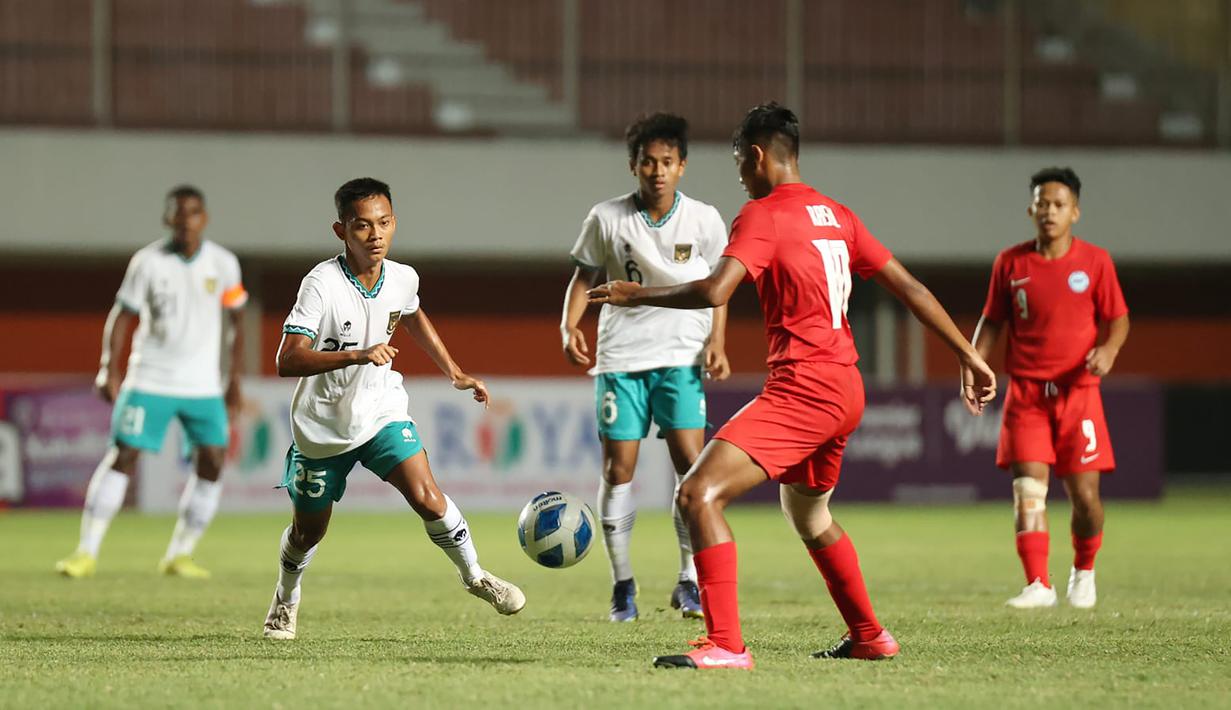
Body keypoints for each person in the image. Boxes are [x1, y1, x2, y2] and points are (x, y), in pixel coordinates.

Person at [589, 103, 997, 670]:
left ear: (755, 156)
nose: (738, 175)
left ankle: (726, 645)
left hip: (805, 387)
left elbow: (714, 292)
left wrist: (636, 294)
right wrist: (969, 355)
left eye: (738, 162)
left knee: (696, 494)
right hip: (847, 386)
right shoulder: (838, 215)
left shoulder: (762, 214)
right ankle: (870, 635)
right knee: (809, 517)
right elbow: (912, 289)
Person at [262, 177, 524, 640]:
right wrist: (358, 354)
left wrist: (454, 371)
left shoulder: (403, 277)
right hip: (321, 429)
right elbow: (287, 359)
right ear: (341, 230)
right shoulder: (320, 284)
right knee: (308, 533)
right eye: (362, 226)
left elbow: (412, 313)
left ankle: (476, 575)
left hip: (381, 412)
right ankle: (286, 597)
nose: (375, 235)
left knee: (427, 497)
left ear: (394, 223)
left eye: (384, 223)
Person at [561, 112, 730, 622]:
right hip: (622, 360)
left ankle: (688, 581)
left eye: (667, 162)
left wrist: (717, 342)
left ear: (682, 166)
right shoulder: (607, 217)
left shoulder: (704, 219)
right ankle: (623, 586)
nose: (657, 171)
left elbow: (721, 287)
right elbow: (582, 276)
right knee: (619, 470)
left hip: (681, 358)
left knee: (691, 469)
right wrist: (569, 326)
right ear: (633, 165)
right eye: (648, 162)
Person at [56, 185, 246, 579]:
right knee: (124, 455)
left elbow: (237, 322)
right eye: (177, 213)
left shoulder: (224, 264)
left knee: (212, 461)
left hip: (203, 386)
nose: (184, 220)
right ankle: (85, 552)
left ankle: (180, 554)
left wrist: (234, 380)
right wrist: (109, 366)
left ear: (204, 218)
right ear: (167, 219)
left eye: (192, 212)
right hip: (150, 378)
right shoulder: (147, 262)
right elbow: (121, 315)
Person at [972, 167, 1129, 610]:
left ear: (1075, 212)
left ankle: (1084, 570)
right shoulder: (1011, 263)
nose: (1049, 212)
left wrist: (1109, 350)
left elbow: (1118, 318)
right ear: (1030, 209)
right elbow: (992, 321)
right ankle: (1038, 583)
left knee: (1085, 498)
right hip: (1027, 395)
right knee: (1028, 490)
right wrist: (973, 361)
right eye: (1042, 203)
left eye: (1059, 205)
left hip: (1078, 394)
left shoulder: (1095, 262)